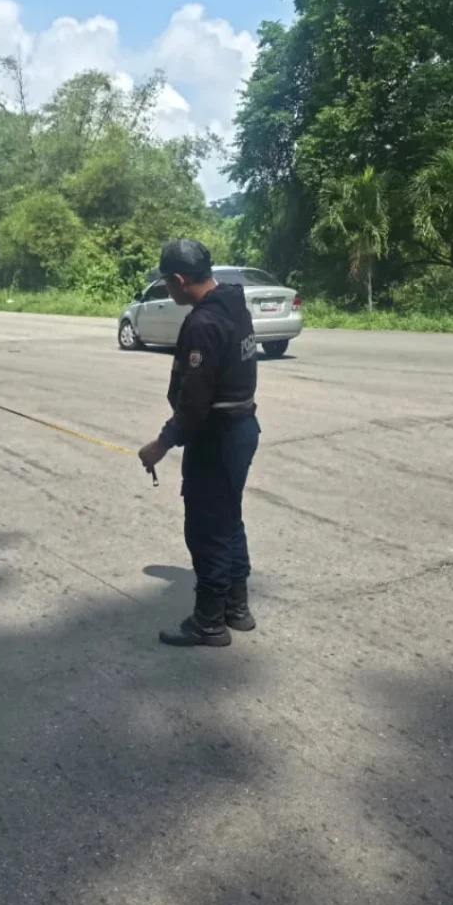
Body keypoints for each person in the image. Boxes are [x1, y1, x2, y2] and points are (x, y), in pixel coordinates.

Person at [138, 239, 261, 647]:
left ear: (178, 280)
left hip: (217, 436)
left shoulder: (203, 323)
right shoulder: (235, 305)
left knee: (207, 529)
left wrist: (161, 444)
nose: (166, 290)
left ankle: (209, 622)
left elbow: (194, 404)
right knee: (229, 520)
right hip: (241, 427)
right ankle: (236, 607)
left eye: (166, 283)